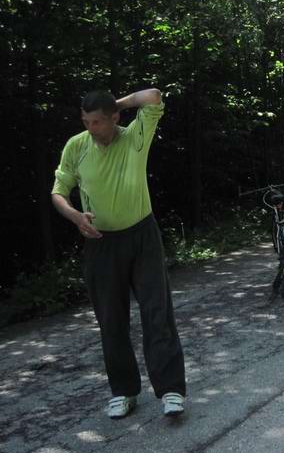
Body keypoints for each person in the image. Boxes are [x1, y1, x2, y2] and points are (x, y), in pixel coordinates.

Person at [51, 88, 187, 419]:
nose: (91, 127)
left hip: (142, 236)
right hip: (100, 242)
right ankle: (123, 391)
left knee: (157, 312)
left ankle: (170, 390)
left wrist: (117, 105)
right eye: (86, 121)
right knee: (111, 320)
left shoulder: (135, 136)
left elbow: (153, 96)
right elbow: (58, 191)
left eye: (98, 121)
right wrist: (74, 216)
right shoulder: (76, 146)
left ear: (115, 118)